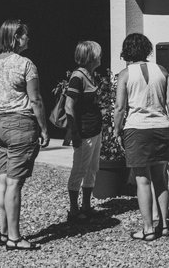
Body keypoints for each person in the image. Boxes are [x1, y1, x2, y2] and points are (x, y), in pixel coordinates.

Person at [0, 19, 49, 251]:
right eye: (25, 35)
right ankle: (14, 237)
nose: (28, 39)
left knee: (2, 179)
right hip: (20, 124)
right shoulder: (26, 64)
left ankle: (3, 232)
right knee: (14, 183)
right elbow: (36, 99)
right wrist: (43, 128)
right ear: (15, 38)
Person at [113, 33, 169, 242]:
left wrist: (116, 130)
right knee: (161, 179)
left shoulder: (125, 74)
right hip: (161, 127)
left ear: (127, 51)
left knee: (142, 180)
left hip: (137, 128)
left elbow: (120, 107)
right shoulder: (162, 71)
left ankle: (148, 228)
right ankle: (165, 225)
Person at [65, 41, 104, 221]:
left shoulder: (90, 75)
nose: (100, 57)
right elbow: (69, 106)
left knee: (92, 168)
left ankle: (86, 205)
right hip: (84, 131)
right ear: (90, 57)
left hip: (95, 129)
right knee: (79, 169)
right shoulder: (77, 77)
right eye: (98, 54)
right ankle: (74, 209)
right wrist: (74, 133)